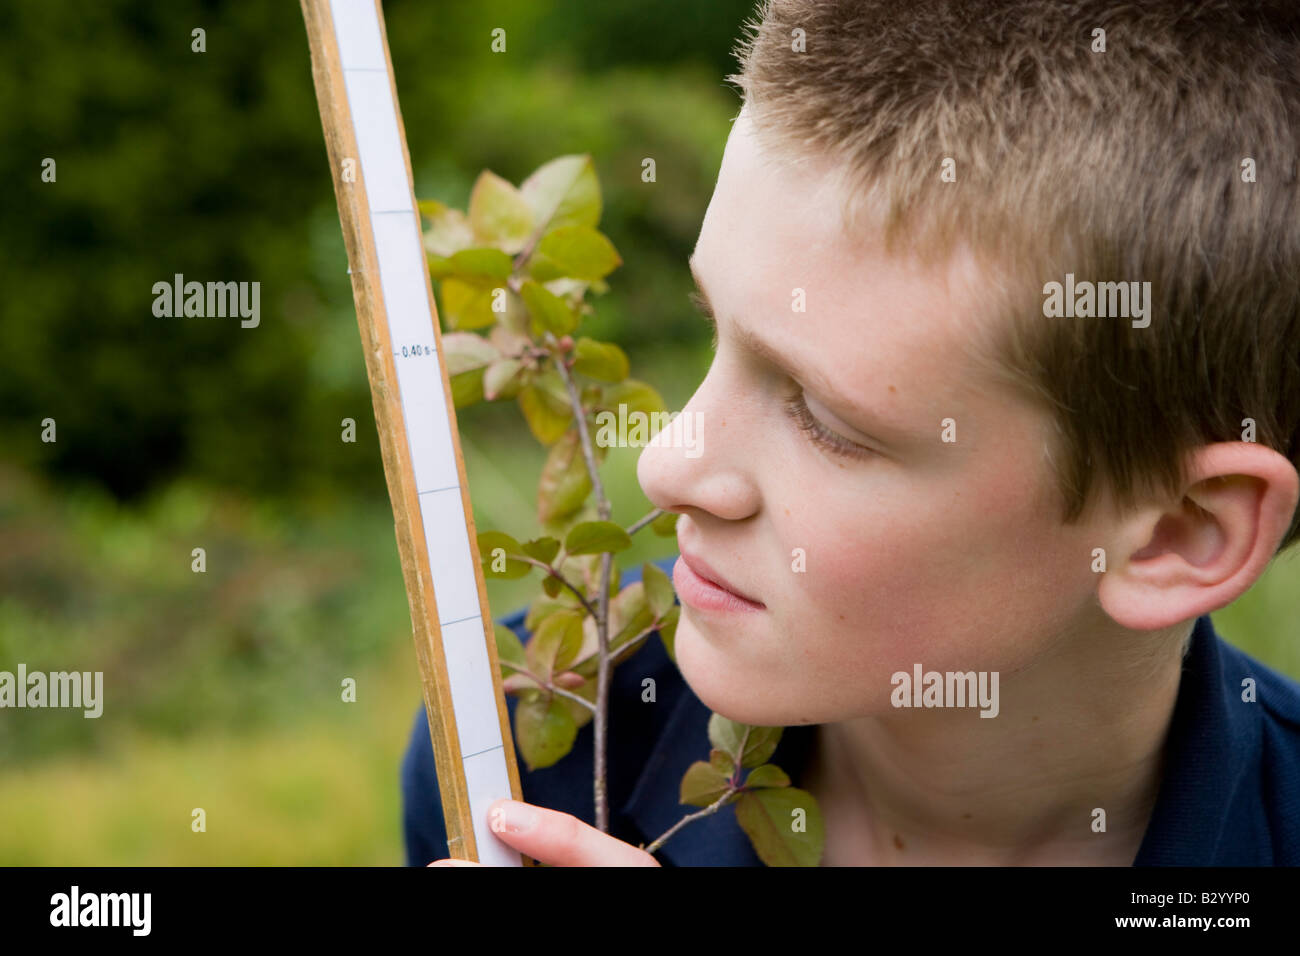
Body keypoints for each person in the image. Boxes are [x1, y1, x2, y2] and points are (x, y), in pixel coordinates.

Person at [405, 0, 1300, 866]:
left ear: (1179, 532)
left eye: (827, 422)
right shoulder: (528, 752)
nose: (668, 462)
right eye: (710, 323)